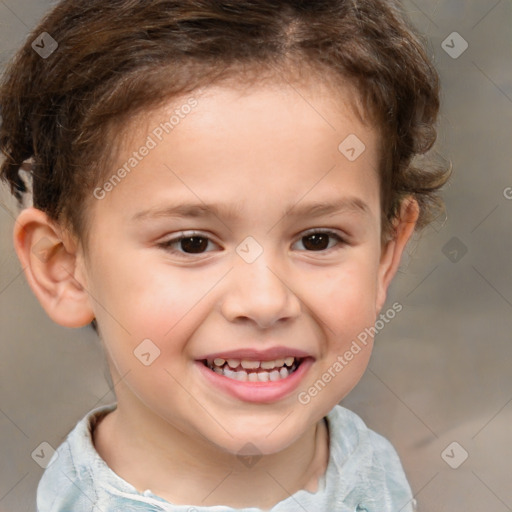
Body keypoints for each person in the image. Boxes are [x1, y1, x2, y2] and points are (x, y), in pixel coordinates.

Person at [0, 1, 451, 510]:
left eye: (318, 240)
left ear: (386, 257)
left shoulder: (373, 472)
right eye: (191, 243)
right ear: (63, 267)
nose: (263, 301)